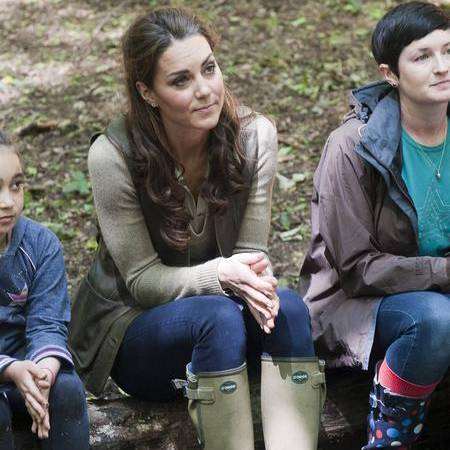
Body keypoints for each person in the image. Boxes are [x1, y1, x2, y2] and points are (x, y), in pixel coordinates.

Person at [69, 7, 325, 450]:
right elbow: (143, 281)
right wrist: (222, 275)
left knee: (290, 309)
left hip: (223, 316)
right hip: (135, 326)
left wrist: (249, 281)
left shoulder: (255, 136)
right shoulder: (112, 156)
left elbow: (250, 256)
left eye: (209, 68)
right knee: (218, 316)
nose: (205, 90)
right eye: (181, 80)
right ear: (148, 92)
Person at [300, 2, 450, 449]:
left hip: (439, 290)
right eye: (422, 56)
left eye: (449, 50)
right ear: (390, 74)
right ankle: (389, 438)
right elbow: (358, 269)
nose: (442, 66)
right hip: (355, 304)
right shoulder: (352, 147)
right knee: (437, 321)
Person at [0, 131, 89, 449]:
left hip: (29, 369)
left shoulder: (40, 245)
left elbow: (48, 323)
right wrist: (9, 369)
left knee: (66, 389)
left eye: (16, 185)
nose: (8, 202)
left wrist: (44, 372)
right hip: (7, 370)